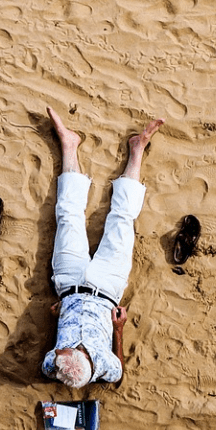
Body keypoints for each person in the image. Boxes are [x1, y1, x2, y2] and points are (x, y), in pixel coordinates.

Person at [41, 107, 162, 388]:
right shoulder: (103, 366)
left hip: (69, 283)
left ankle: (69, 145)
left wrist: (59, 317)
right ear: (84, 356)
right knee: (122, 219)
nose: (58, 350)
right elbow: (119, 373)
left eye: (59, 351)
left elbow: (55, 347)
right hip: (108, 287)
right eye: (65, 350)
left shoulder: (52, 365)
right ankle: (137, 149)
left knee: (68, 215)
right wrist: (118, 330)